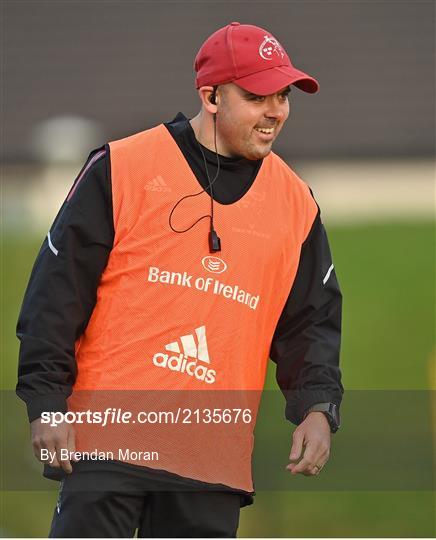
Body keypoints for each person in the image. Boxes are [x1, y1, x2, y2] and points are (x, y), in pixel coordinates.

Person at [16, 22, 343, 538]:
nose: (276, 111)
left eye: (283, 95)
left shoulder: (296, 204)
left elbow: (312, 321)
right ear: (211, 96)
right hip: (106, 446)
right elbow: (55, 295)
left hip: (210, 464)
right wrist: (46, 401)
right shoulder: (121, 167)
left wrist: (317, 408)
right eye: (259, 96)